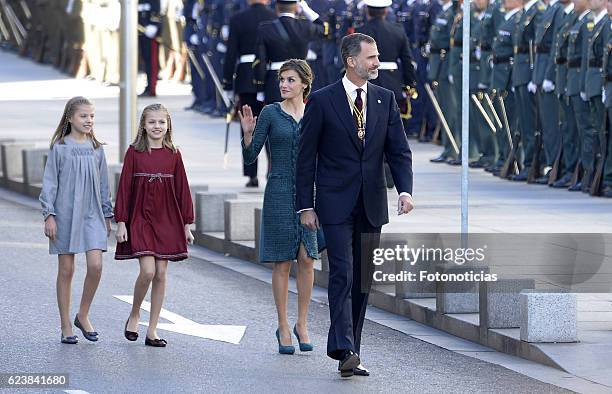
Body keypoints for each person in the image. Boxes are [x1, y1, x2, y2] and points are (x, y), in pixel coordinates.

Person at [296, 33, 414, 377]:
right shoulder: (321, 101)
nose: (377, 62)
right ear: (352, 61)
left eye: (377, 57)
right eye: (372, 57)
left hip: (372, 202)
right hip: (333, 203)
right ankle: (344, 345)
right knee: (343, 273)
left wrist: (404, 191)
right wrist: (306, 205)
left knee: (362, 280)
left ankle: (351, 350)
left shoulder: (385, 99)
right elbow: (306, 159)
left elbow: (399, 151)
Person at [240, 59, 320, 355]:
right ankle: (283, 325)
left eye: (290, 80)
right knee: (283, 262)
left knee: (308, 258)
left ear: (304, 84)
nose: (284, 85)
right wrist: (248, 133)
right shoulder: (271, 113)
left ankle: (302, 323)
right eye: (282, 80)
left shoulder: (315, 110)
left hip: (308, 194)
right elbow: (251, 157)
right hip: (278, 190)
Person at [114, 103, 194, 347]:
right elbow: (125, 189)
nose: (157, 126)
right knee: (148, 271)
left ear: (168, 125)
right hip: (140, 217)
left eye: (161, 122)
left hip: (168, 218)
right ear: (143, 125)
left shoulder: (174, 154)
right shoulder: (134, 153)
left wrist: (187, 224)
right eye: (152, 122)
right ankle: (135, 313)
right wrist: (121, 221)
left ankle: (152, 330)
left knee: (161, 273)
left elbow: (183, 189)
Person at [39, 96, 113, 344]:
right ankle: (65, 325)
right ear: (70, 118)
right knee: (67, 269)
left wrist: (107, 214)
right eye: (83, 116)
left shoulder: (97, 148)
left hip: (92, 214)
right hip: (65, 214)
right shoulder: (60, 147)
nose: (89, 120)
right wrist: (49, 215)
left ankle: (82, 314)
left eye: (92, 116)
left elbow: (104, 184)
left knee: (96, 265)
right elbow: (50, 183)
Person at [223, 0, 276, 188]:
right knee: (272, 126)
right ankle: (273, 169)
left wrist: (228, 82)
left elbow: (230, 54)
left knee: (248, 126)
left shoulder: (238, 18)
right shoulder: (274, 17)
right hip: (268, 79)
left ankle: (251, 174)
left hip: (246, 78)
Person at [138, 0, 162, 97]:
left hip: (150, 30)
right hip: (141, 30)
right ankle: (148, 87)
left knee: (151, 62)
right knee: (145, 60)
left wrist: (154, 25)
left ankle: (151, 88)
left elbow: (156, 9)